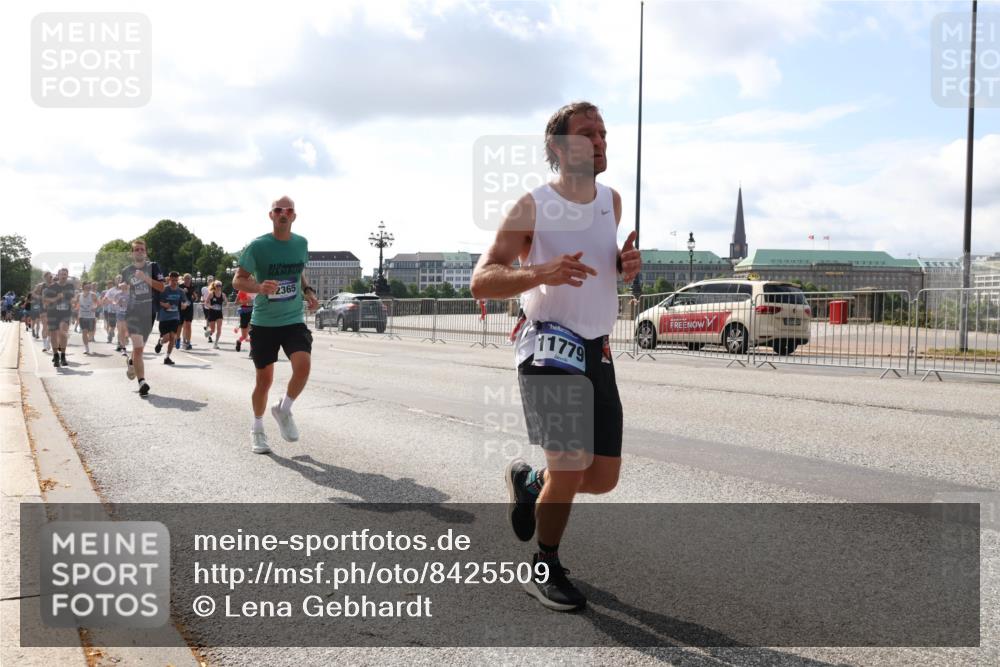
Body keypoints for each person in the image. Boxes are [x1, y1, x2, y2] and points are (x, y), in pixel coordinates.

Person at [470, 101, 641, 612]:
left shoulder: (611, 200)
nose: (601, 140)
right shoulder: (532, 206)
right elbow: (484, 278)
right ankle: (544, 564)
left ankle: (530, 483)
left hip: (597, 346)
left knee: (601, 477)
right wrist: (538, 273)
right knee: (569, 465)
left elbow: (600, 263)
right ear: (558, 147)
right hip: (547, 341)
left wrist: (624, 265)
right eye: (588, 133)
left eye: (604, 132)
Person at [232, 195, 319, 455]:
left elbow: (299, 271)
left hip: (292, 319)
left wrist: (308, 291)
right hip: (264, 322)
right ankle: (257, 429)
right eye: (278, 209)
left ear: (294, 216)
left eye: (288, 210)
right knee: (264, 381)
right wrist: (259, 287)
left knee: (303, 366)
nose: (283, 213)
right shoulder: (258, 247)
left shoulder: (301, 243)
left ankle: (284, 409)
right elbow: (238, 280)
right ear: (271, 215)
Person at [120, 238, 165, 397]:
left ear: (146, 252)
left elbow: (161, 287)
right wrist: (123, 288)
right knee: (138, 348)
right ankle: (142, 382)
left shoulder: (153, 267)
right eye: (136, 249)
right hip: (133, 312)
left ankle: (132, 362)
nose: (139, 251)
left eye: (142, 249)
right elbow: (123, 288)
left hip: (149, 313)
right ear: (132, 253)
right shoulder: (126, 270)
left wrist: (145, 278)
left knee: (139, 349)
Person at [43, 268, 76, 367]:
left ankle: (63, 356)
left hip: (65, 313)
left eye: (65, 274)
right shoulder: (52, 287)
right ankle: (56, 355)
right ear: (58, 275)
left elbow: (73, 298)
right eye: (62, 274)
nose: (64, 276)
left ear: (67, 275)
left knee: (62, 332)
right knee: (53, 335)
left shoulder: (70, 286)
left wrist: (72, 301)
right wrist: (57, 298)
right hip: (53, 314)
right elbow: (45, 301)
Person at [154, 271, 188, 365]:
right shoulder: (164, 289)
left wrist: (184, 305)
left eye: (176, 280)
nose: (174, 282)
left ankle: (167, 357)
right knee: (166, 338)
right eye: (173, 280)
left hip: (175, 317)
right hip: (164, 317)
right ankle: (160, 343)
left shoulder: (180, 291)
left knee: (173, 337)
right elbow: (156, 301)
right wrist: (165, 304)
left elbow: (185, 301)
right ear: (169, 279)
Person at [74, 282, 100, 355]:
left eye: (89, 287)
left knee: (91, 334)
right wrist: (76, 308)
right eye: (86, 287)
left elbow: (99, 303)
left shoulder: (93, 295)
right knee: (84, 332)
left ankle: (89, 339)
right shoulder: (79, 295)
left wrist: (95, 308)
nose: (88, 289)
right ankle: (86, 348)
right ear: (83, 288)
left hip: (91, 317)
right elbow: (76, 304)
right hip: (82, 316)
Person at [179, 273, 199, 350]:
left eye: (189, 278)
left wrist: (191, 300)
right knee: (181, 325)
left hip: (189, 308)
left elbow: (196, 297)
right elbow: (177, 296)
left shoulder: (192, 287)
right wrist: (181, 303)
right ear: (183, 279)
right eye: (186, 278)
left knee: (188, 325)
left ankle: (188, 342)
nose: (187, 280)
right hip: (182, 308)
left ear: (191, 279)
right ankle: (182, 340)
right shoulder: (180, 287)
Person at [204, 281, 226, 349]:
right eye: (217, 286)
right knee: (213, 330)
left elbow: (226, 302)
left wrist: (225, 303)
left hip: (219, 313)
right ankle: (208, 332)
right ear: (214, 286)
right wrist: (210, 306)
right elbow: (206, 303)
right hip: (212, 312)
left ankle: (216, 344)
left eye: (220, 286)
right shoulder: (211, 294)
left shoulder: (223, 295)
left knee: (219, 329)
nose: (218, 287)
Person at [235, 288, 254, 353]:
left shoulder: (254, 290)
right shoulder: (242, 291)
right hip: (244, 313)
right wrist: (245, 301)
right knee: (244, 336)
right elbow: (236, 302)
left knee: (252, 333)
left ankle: (252, 351)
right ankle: (239, 341)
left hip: (253, 313)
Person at [201, 275, 215, 342]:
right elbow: (202, 297)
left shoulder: (215, 288)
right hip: (206, 307)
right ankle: (209, 336)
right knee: (208, 321)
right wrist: (202, 302)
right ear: (207, 281)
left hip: (213, 307)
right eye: (209, 280)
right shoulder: (204, 288)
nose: (210, 281)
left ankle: (208, 330)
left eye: (211, 280)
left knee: (212, 322)